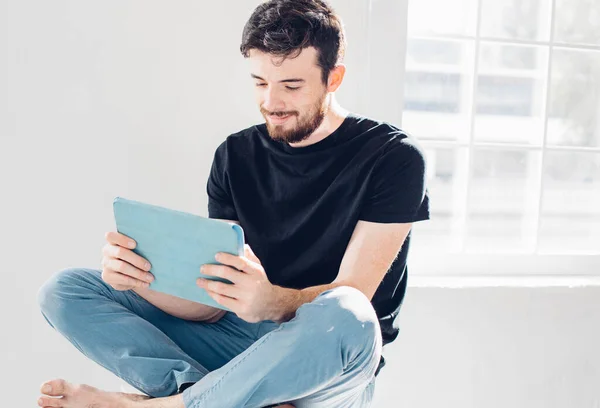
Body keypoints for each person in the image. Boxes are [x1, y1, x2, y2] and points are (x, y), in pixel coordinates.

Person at [36, 1, 430, 407]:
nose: (272, 102)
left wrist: (272, 301)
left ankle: (162, 405)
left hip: (327, 358)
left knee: (349, 310)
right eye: (260, 82)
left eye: (291, 86)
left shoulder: (393, 157)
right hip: (236, 343)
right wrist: (141, 280)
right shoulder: (235, 155)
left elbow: (355, 292)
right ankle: (198, 394)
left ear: (334, 78)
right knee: (66, 290)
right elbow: (209, 305)